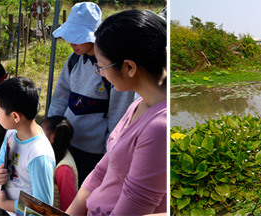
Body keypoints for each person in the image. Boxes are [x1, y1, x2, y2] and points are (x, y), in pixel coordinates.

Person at [65, 9, 167, 215]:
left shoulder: (158, 128)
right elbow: (102, 170)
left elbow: (136, 203)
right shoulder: (137, 105)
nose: (100, 72)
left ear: (129, 67)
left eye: (101, 66)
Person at [48, 1, 136, 187]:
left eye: (77, 37)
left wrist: (109, 152)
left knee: (88, 192)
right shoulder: (73, 60)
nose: (71, 42)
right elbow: (60, 97)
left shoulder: (112, 67)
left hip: (95, 149)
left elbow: (118, 115)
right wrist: (50, 130)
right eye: (70, 36)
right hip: (67, 141)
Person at [0, 77, 55, 215]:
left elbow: (42, 207)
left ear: (15, 117)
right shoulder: (11, 134)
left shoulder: (39, 156)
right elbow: (0, 161)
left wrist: (4, 204)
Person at [41, 116, 78, 211]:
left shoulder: (64, 169)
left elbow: (68, 205)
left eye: (41, 132)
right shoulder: (58, 152)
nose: (38, 136)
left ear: (52, 137)